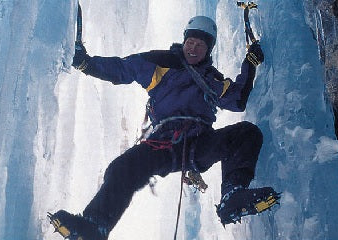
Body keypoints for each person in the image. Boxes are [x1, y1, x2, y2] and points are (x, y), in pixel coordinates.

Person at [48, 16, 279, 240]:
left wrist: (249, 64)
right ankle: (94, 227)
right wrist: (87, 64)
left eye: (200, 45)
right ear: (184, 40)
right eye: (190, 42)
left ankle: (232, 196)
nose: (193, 49)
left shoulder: (212, 79)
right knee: (123, 168)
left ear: (209, 50)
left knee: (246, 133)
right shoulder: (162, 63)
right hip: (165, 143)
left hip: (199, 143)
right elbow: (122, 69)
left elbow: (237, 100)